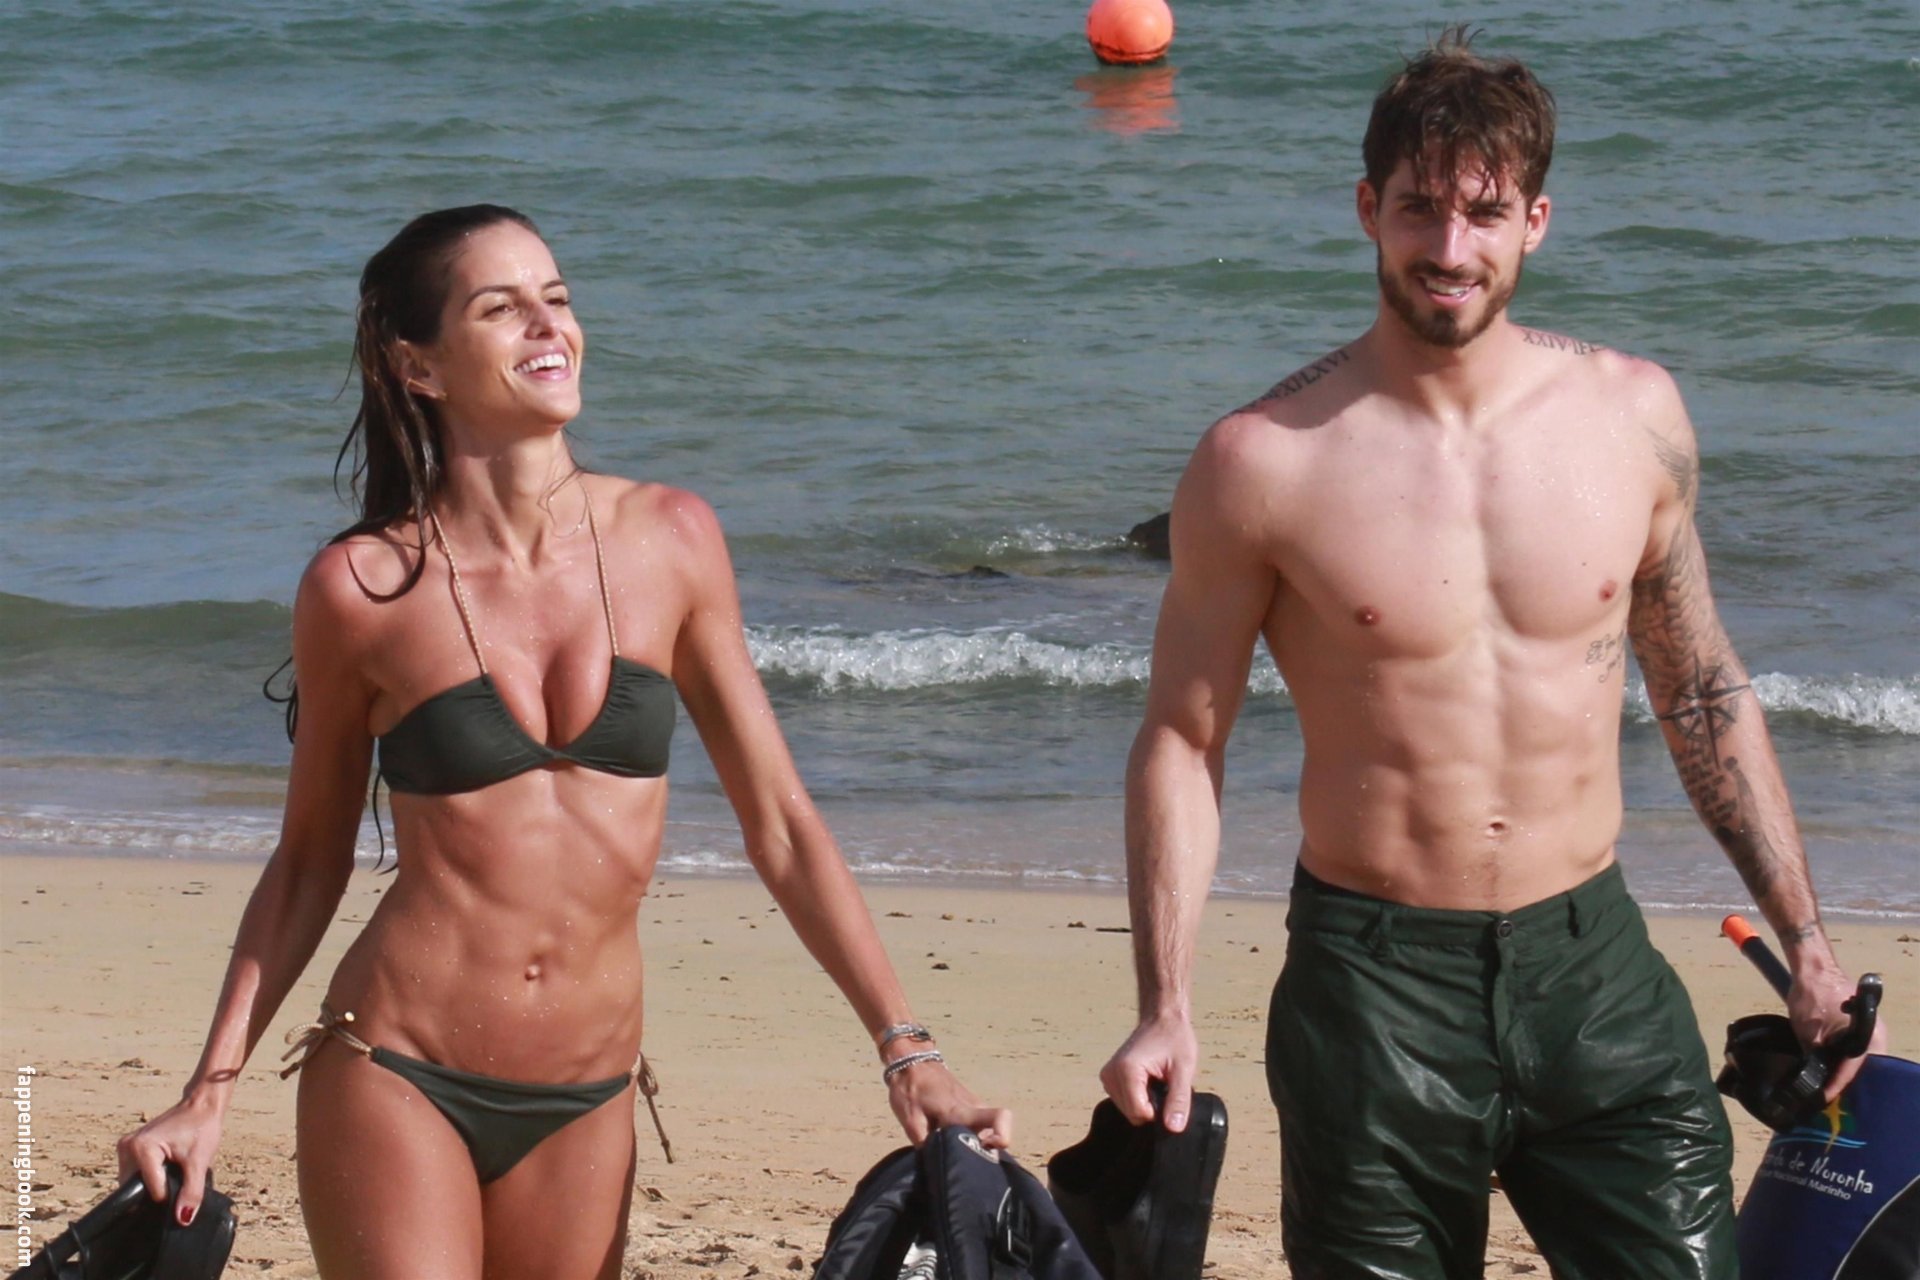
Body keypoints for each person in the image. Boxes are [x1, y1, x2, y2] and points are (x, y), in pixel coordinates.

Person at [1097, 31, 1886, 1280]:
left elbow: (1698, 687)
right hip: (1373, 989)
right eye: (1420, 207)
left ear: (1536, 223)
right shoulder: (1264, 461)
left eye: (1484, 212)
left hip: (1594, 967)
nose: (1450, 248)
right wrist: (1165, 1004)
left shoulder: (1632, 418)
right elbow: (1184, 739)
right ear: (1369, 208)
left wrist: (1810, 943)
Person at [118, 204, 1009, 1280]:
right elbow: (310, 857)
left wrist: (907, 1049)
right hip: (398, 1064)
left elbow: (780, 823)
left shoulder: (673, 539)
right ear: (417, 364)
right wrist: (208, 1091)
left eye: (558, 297)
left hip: (588, 1094)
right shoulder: (361, 588)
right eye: (502, 308)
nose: (550, 326)